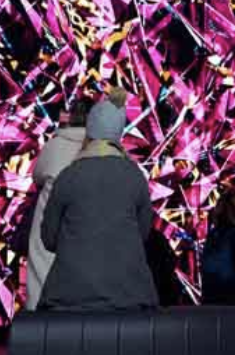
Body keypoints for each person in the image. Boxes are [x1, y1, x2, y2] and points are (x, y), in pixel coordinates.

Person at [37, 95, 158, 312]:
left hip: (69, 297)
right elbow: (144, 234)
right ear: (118, 133)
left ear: (90, 130)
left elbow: (48, 238)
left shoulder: (69, 176)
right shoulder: (134, 176)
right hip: (130, 296)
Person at [25, 96, 92, 309]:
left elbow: (37, 176)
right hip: (84, 223)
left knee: (44, 272)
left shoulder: (55, 145)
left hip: (50, 223)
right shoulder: (99, 148)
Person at [145, 218, 185, 307]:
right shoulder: (157, 237)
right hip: (162, 289)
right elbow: (172, 259)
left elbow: (172, 259)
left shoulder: (143, 238)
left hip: (155, 289)